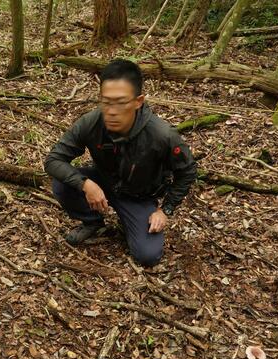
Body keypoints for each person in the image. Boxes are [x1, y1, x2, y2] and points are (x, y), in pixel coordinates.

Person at [44, 59, 198, 267]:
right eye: (106, 102)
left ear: (138, 101)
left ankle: (131, 222)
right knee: (62, 183)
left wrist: (166, 210)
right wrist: (86, 184)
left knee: (147, 256)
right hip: (104, 182)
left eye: (121, 102)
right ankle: (92, 222)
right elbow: (54, 159)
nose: (112, 111)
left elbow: (187, 171)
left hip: (139, 196)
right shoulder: (92, 123)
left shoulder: (161, 135)